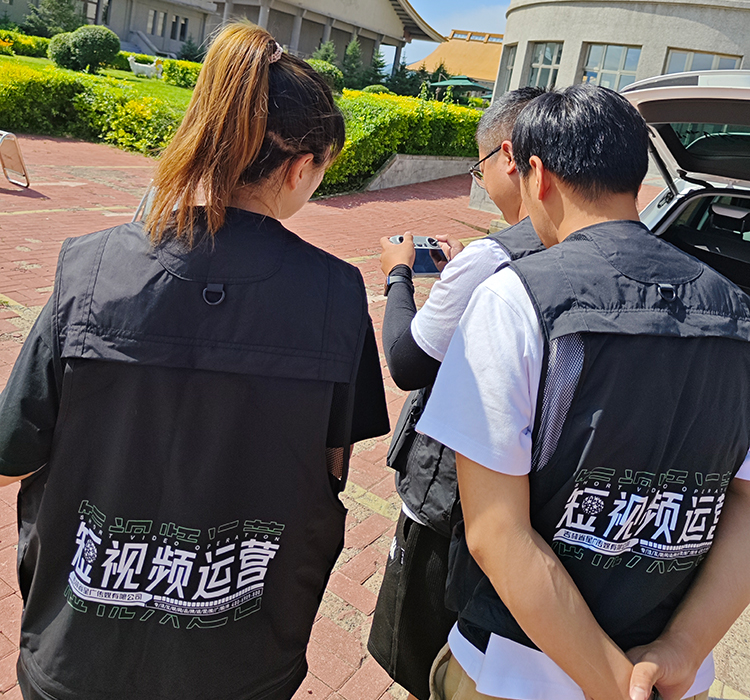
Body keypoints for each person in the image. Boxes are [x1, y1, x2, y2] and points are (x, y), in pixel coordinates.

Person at [0, 22, 389, 700]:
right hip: (241, 658)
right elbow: (328, 469)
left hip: (78, 655)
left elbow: (13, 452)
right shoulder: (335, 292)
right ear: (300, 167)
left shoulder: (90, 268)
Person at [417, 83, 750, 700]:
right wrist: (679, 650)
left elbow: (496, 531)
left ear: (537, 175)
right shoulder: (739, 315)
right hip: (673, 677)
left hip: (516, 671)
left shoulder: (517, 297)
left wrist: (614, 685)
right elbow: (746, 506)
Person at [367, 88, 546, 700]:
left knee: (423, 653)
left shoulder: (491, 258)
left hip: (453, 496)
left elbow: (406, 361)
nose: (481, 179)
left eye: (479, 166)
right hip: (532, 497)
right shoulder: (573, 247)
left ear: (508, 158)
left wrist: (398, 273)